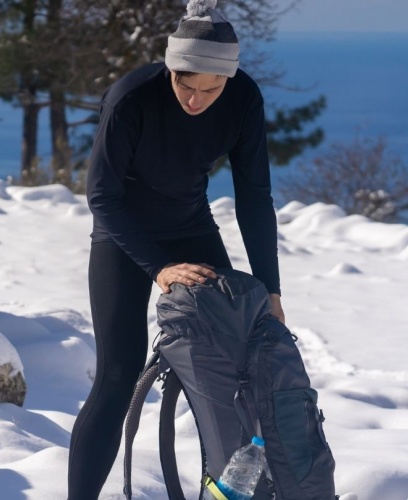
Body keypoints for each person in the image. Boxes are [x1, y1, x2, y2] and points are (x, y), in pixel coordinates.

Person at [67, 1, 283, 498]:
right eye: (186, 84)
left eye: (211, 89)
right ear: (171, 67)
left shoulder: (244, 98)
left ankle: (233, 491)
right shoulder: (131, 98)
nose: (196, 99)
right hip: (123, 233)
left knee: (237, 371)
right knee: (117, 376)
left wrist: (269, 289)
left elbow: (254, 197)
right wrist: (160, 267)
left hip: (190, 226)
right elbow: (102, 195)